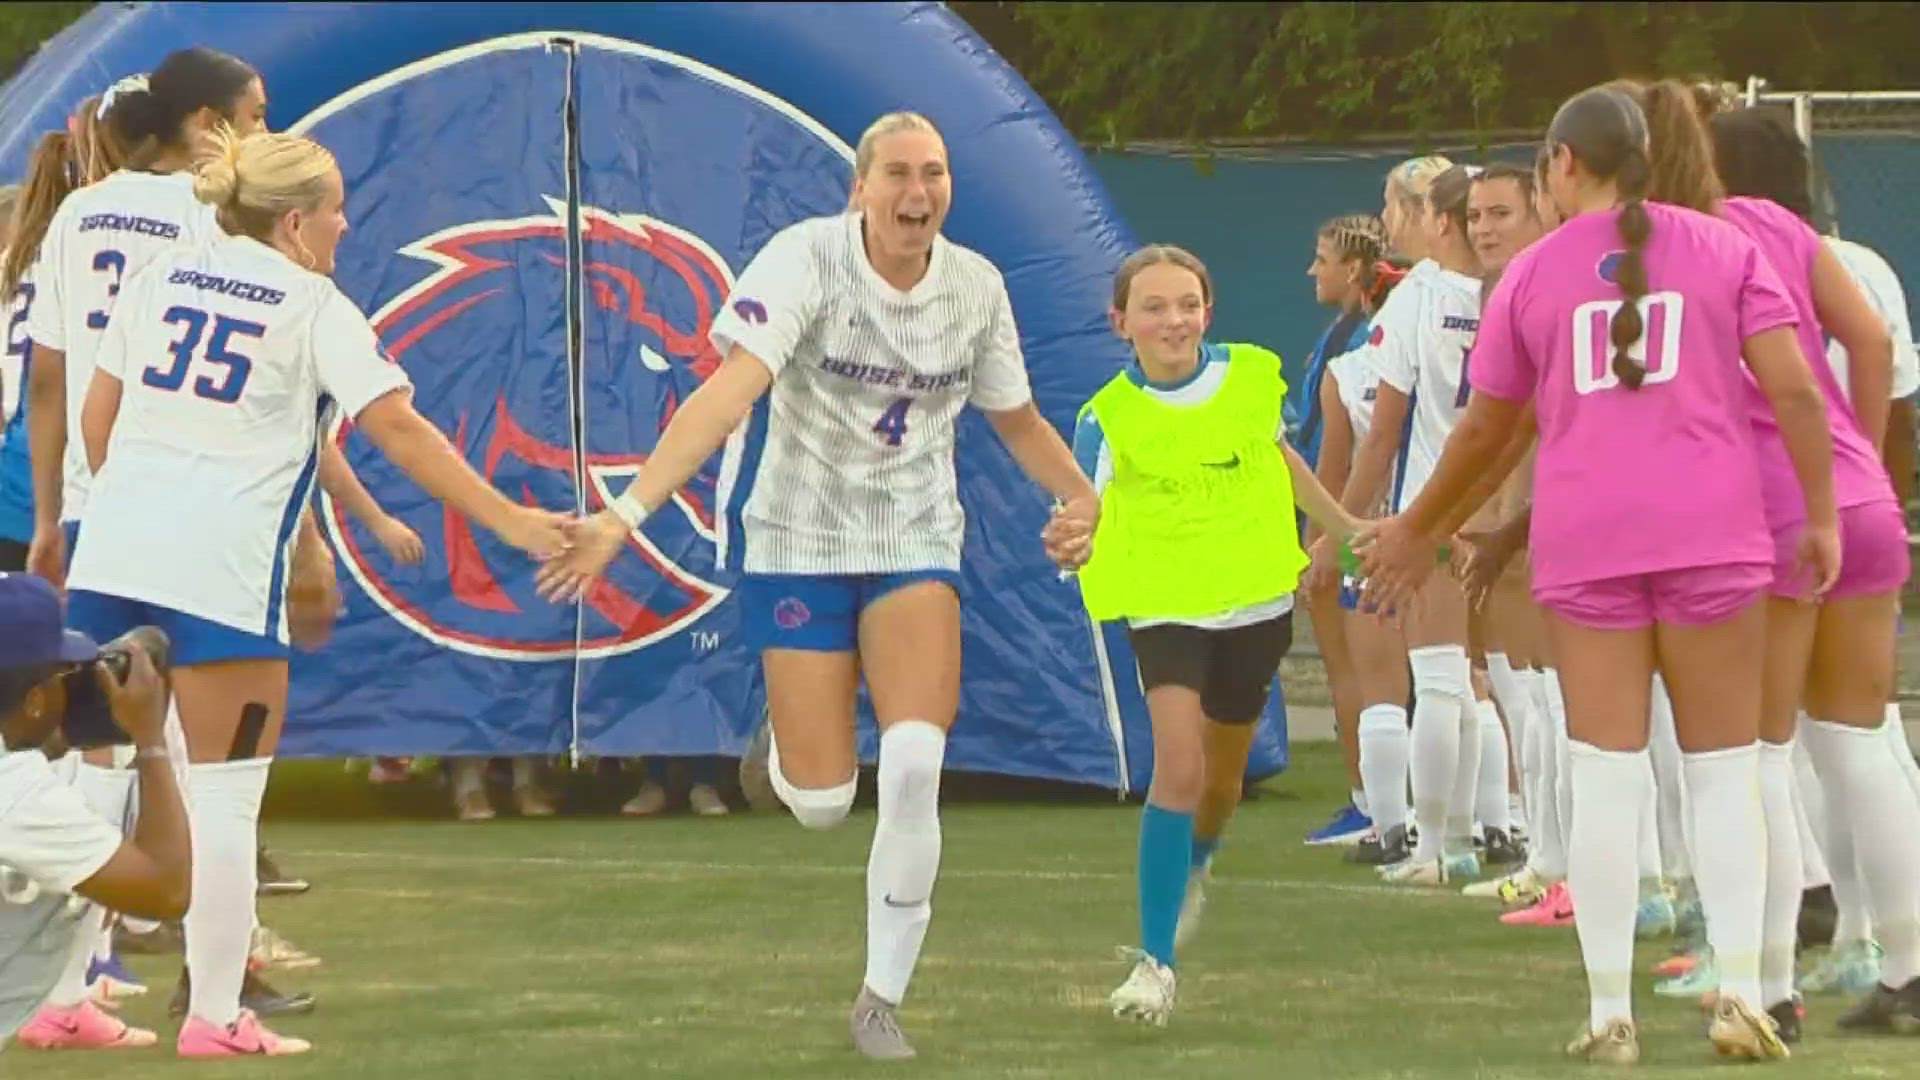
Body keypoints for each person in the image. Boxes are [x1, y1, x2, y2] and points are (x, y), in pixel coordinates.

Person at [534, 111, 1097, 1061]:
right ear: (860, 189)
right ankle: (791, 754)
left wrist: (1084, 499)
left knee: (917, 764)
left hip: (916, 539)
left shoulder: (977, 288)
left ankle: (880, 997)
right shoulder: (805, 260)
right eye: (898, 176)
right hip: (795, 541)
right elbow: (726, 395)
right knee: (826, 802)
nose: (918, 195)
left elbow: (1019, 420)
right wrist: (622, 517)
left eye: (934, 175)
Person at [1357, 84, 1839, 1063]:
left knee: (1605, 773)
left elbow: (1488, 429)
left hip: (1590, 542)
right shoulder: (1723, 246)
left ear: (1564, 165)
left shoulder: (1532, 275)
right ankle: (1741, 988)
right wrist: (1821, 514)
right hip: (1712, 532)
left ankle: (1609, 1009)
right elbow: (1794, 385)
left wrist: (1416, 527)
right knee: (1723, 772)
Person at [69, 126, 570, 1057]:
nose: (346, 224)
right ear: (295, 222)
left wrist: (135, 510)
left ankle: (66, 996)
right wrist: (513, 522)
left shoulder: (159, 279)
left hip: (115, 560)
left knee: (91, 787)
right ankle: (216, 1017)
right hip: (220, 578)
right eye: (335, 208)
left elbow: (99, 418)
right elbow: (401, 430)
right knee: (223, 805)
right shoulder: (314, 307)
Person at [1068, 244, 1359, 1025]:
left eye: (1187, 304)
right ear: (1120, 321)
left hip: (1255, 599)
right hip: (1161, 604)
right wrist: (1072, 532)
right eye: (1154, 307)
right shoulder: (1108, 416)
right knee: (1180, 767)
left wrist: (1346, 527)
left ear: (1208, 312)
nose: (1173, 320)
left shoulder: (1251, 379)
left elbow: (1281, 460)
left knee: (1222, 784)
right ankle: (1155, 963)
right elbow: (1081, 503)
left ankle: (1197, 862)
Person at [1705, 102, 1920, 1036]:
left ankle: (1769, 987)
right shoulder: (1808, 237)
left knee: (1759, 756)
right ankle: (1910, 974)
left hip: (1771, 505)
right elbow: (1872, 346)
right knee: (1862, 743)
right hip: (1853, 494)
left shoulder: (1690, 240)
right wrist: (1860, 464)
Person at [1326, 162, 1485, 886]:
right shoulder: (1515, 287)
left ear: (1431, 216)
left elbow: (1379, 428)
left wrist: (1346, 529)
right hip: (1507, 503)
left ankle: (1432, 843)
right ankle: (1498, 828)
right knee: (1511, 685)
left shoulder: (1418, 296)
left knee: (1439, 676)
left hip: (1431, 506)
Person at [0, 572, 188, 1051]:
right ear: (35, 698)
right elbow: (165, 891)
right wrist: (149, 740)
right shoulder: (15, 790)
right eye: (67, 675)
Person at [1298, 214, 1389, 848]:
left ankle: (1370, 801)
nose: (1313, 270)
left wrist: (1324, 538)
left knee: (1355, 669)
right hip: (1395, 519)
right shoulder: (1359, 336)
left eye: (1323, 257)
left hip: (1364, 523)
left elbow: (1341, 454)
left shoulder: (1354, 351)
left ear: (1353, 270)